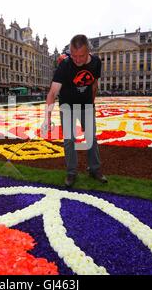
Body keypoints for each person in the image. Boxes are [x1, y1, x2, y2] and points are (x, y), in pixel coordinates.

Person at [43, 34, 107, 188]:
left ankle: (94, 169)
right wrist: (47, 118)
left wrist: (91, 103)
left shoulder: (96, 62)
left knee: (91, 137)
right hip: (67, 106)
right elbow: (52, 93)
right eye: (74, 55)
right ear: (70, 52)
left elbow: (94, 84)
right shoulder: (65, 65)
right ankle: (72, 172)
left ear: (88, 52)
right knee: (69, 139)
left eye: (81, 56)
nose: (77, 60)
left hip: (86, 105)